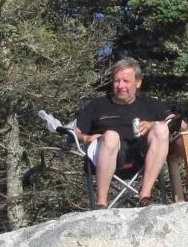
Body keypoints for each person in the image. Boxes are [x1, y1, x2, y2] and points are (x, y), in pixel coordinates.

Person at [75, 59, 182, 208]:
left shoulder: (148, 102)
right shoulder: (97, 105)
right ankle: (101, 203)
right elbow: (76, 132)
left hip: (142, 158)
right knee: (111, 136)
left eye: (126, 81)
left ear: (138, 82)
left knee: (161, 128)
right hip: (107, 154)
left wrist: (153, 124)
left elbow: (180, 124)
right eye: (117, 81)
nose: (120, 86)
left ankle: (144, 196)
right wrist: (86, 138)